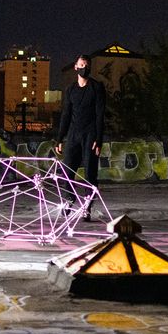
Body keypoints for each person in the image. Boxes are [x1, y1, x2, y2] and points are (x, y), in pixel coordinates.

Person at [54, 54, 106, 221]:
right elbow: (66, 115)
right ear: (76, 67)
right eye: (82, 65)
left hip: (90, 135)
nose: (85, 68)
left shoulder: (97, 87)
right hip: (73, 135)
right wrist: (59, 138)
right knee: (67, 171)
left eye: (87, 65)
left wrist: (99, 139)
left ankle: (87, 207)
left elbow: (100, 115)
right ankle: (69, 199)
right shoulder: (70, 90)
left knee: (90, 174)